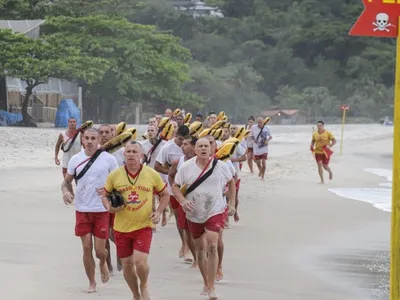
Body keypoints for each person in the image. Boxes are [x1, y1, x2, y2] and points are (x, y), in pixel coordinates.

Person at [102, 141, 169, 300]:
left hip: (143, 225)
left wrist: (159, 212)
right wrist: (109, 208)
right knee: (127, 265)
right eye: (128, 152)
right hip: (121, 227)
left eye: (134, 152)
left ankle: (144, 285)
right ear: (124, 155)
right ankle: (135, 294)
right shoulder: (115, 175)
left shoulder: (151, 174)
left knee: (139, 262)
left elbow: (165, 194)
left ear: (142, 155)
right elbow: (104, 195)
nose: (131, 154)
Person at [172, 138, 236, 300]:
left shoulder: (221, 166)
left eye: (206, 146)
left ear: (211, 149)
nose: (203, 149)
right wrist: (182, 201)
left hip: (215, 209)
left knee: (212, 245)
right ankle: (206, 282)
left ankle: (212, 286)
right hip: (194, 212)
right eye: (200, 146)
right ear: (195, 150)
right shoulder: (186, 167)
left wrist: (232, 203)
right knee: (200, 250)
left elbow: (232, 182)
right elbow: (175, 187)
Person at [61, 128, 119, 293]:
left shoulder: (109, 159)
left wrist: (110, 194)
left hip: (101, 210)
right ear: (82, 139)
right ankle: (92, 282)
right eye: (87, 138)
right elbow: (66, 182)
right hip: (82, 208)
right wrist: (65, 191)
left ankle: (102, 262)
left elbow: (117, 183)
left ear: (99, 139)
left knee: (100, 251)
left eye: (93, 138)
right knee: (86, 247)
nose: (90, 141)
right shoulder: (75, 159)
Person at [204, 135, 236, 282]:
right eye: (204, 144)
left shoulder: (224, 164)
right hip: (199, 208)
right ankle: (208, 265)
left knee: (217, 240)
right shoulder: (191, 163)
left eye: (211, 143)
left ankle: (219, 267)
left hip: (219, 206)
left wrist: (232, 203)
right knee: (204, 242)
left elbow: (232, 182)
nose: (207, 147)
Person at [154, 125, 189, 257]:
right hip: (173, 187)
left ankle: (189, 245)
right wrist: (173, 173)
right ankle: (184, 243)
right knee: (179, 217)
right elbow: (157, 166)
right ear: (176, 135)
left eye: (185, 140)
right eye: (180, 140)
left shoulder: (192, 146)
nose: (182, 144)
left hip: (190, 189)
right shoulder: (167, 148)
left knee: (190, 218)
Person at [98, 124, 125, 274]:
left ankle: (121, 259)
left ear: (113, 134)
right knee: (104, 234)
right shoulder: (94, 152)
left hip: (117, 197)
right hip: (99, 199)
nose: (104, 135)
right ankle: (108, 266)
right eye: (100, 132)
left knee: (117, 232)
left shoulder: (122, 152)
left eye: (107, 132)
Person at [168, 136, 198, 266]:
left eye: (186, 144)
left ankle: (199, 253)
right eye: (182, 144)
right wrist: (177, 192)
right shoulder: (177, 161)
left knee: (198, 227)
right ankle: (188, 250)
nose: (182, 146)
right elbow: (170, 175)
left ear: (194, 147)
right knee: (185, 227)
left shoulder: (202, 161)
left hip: (199, 199)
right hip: (183, 199)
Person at [140, 124, 168, 227]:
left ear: (157, 132)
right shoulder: (143, 144)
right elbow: (143, 158)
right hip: (149, 172)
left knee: (162, 196)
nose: (150, 132)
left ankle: (164, 214)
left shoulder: (164, 144)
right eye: (149, 130)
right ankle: (153, 219)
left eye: (152, 130)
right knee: (150, 196)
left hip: (160, 173)